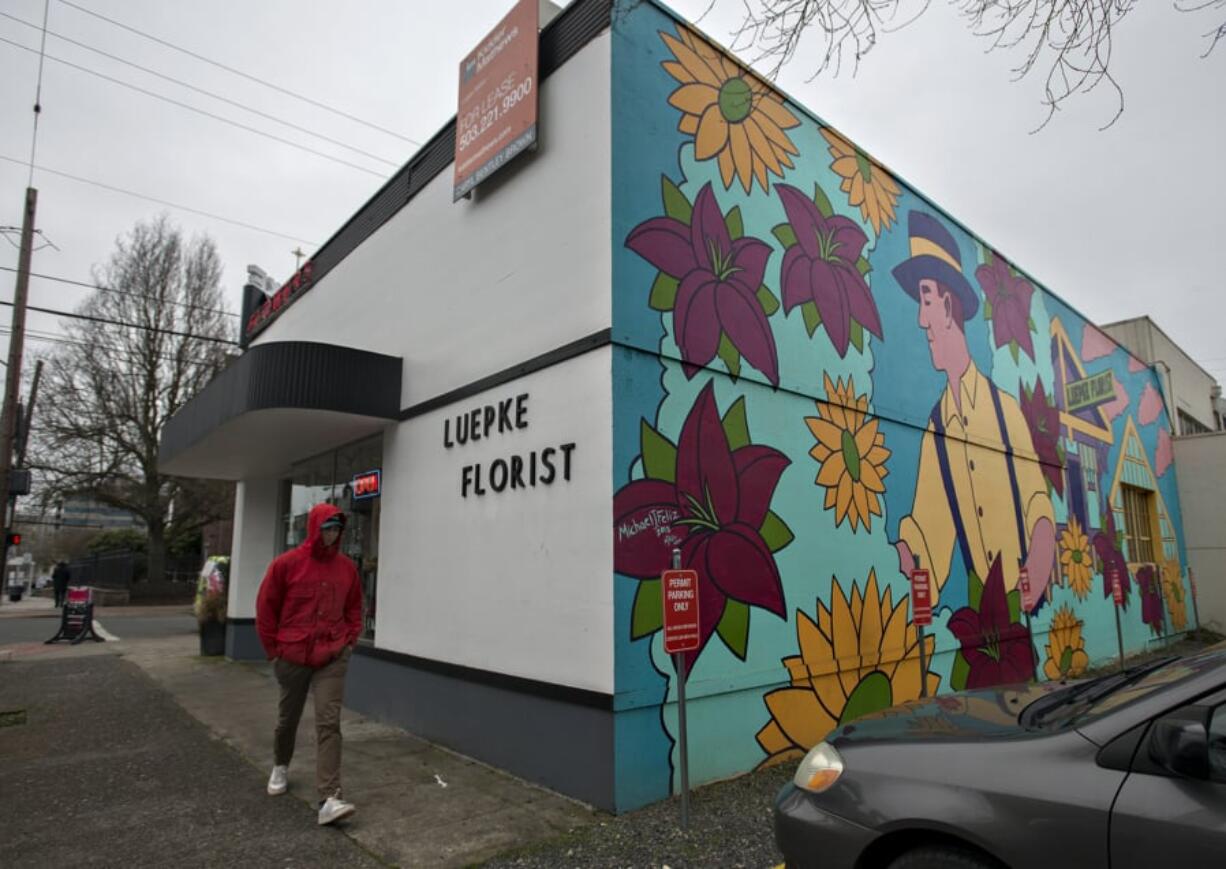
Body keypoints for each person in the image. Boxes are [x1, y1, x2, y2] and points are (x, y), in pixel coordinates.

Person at [890, 211, 1056, 612]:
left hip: (1023, 612)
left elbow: (1036, 498)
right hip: (986, 613)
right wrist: (907, 551)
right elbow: (932, 535)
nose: (920, 318)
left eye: (925, 300)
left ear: (947, 305)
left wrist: (1041, 549)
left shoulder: (1006, 411)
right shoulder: (937, 427)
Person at [256, 503, 363, 826]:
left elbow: (355, 607)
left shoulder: (346, 569)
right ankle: (280, 764)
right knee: (288, 718)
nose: (332, 534)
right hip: (292, 656)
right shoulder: (286, 565)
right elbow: (266, 608)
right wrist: (273, 651)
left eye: (336, 528)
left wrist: (349, 641)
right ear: (315, 528)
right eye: (327, 527)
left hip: (332, 656)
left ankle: (329, 797)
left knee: (329, 723)